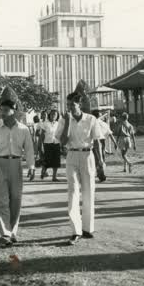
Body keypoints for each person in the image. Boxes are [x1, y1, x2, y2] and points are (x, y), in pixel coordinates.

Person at [0, 97, 35, 247]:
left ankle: (12, 232)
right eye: (1, 110)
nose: (3, 113)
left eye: (6, 110)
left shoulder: (23, 129)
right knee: (0, 201)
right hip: (0, 164)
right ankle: (4, 233)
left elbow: (29, 149)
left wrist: (31, 167)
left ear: (14, 111)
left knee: (15, 199)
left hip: (16, 164)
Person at [56, 91, 103, 246]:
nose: (70, 107)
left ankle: (87, 228)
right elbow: (63, 142)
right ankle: (76, 230)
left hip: (87, 155)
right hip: (72, 155)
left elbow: (97, 141)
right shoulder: (64, 120)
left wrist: (101, 161)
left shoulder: (91, 119)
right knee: (73, 192)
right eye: (68, 104)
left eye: (73, 104)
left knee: (89, 192)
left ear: (80, 104)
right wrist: (67, 123)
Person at [40, 109, 61, 181]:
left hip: (56, 143)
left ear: (57, 116)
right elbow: (42, 135)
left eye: (55, 114)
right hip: (47, 144)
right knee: (47, 160)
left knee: (56, 161)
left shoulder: (58, 124)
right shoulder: (45, 123)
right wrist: (41, 145)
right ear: (49, 115)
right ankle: (43, 172)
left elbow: (60, 134)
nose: (53, 115)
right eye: (52, 114)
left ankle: (54, 177)